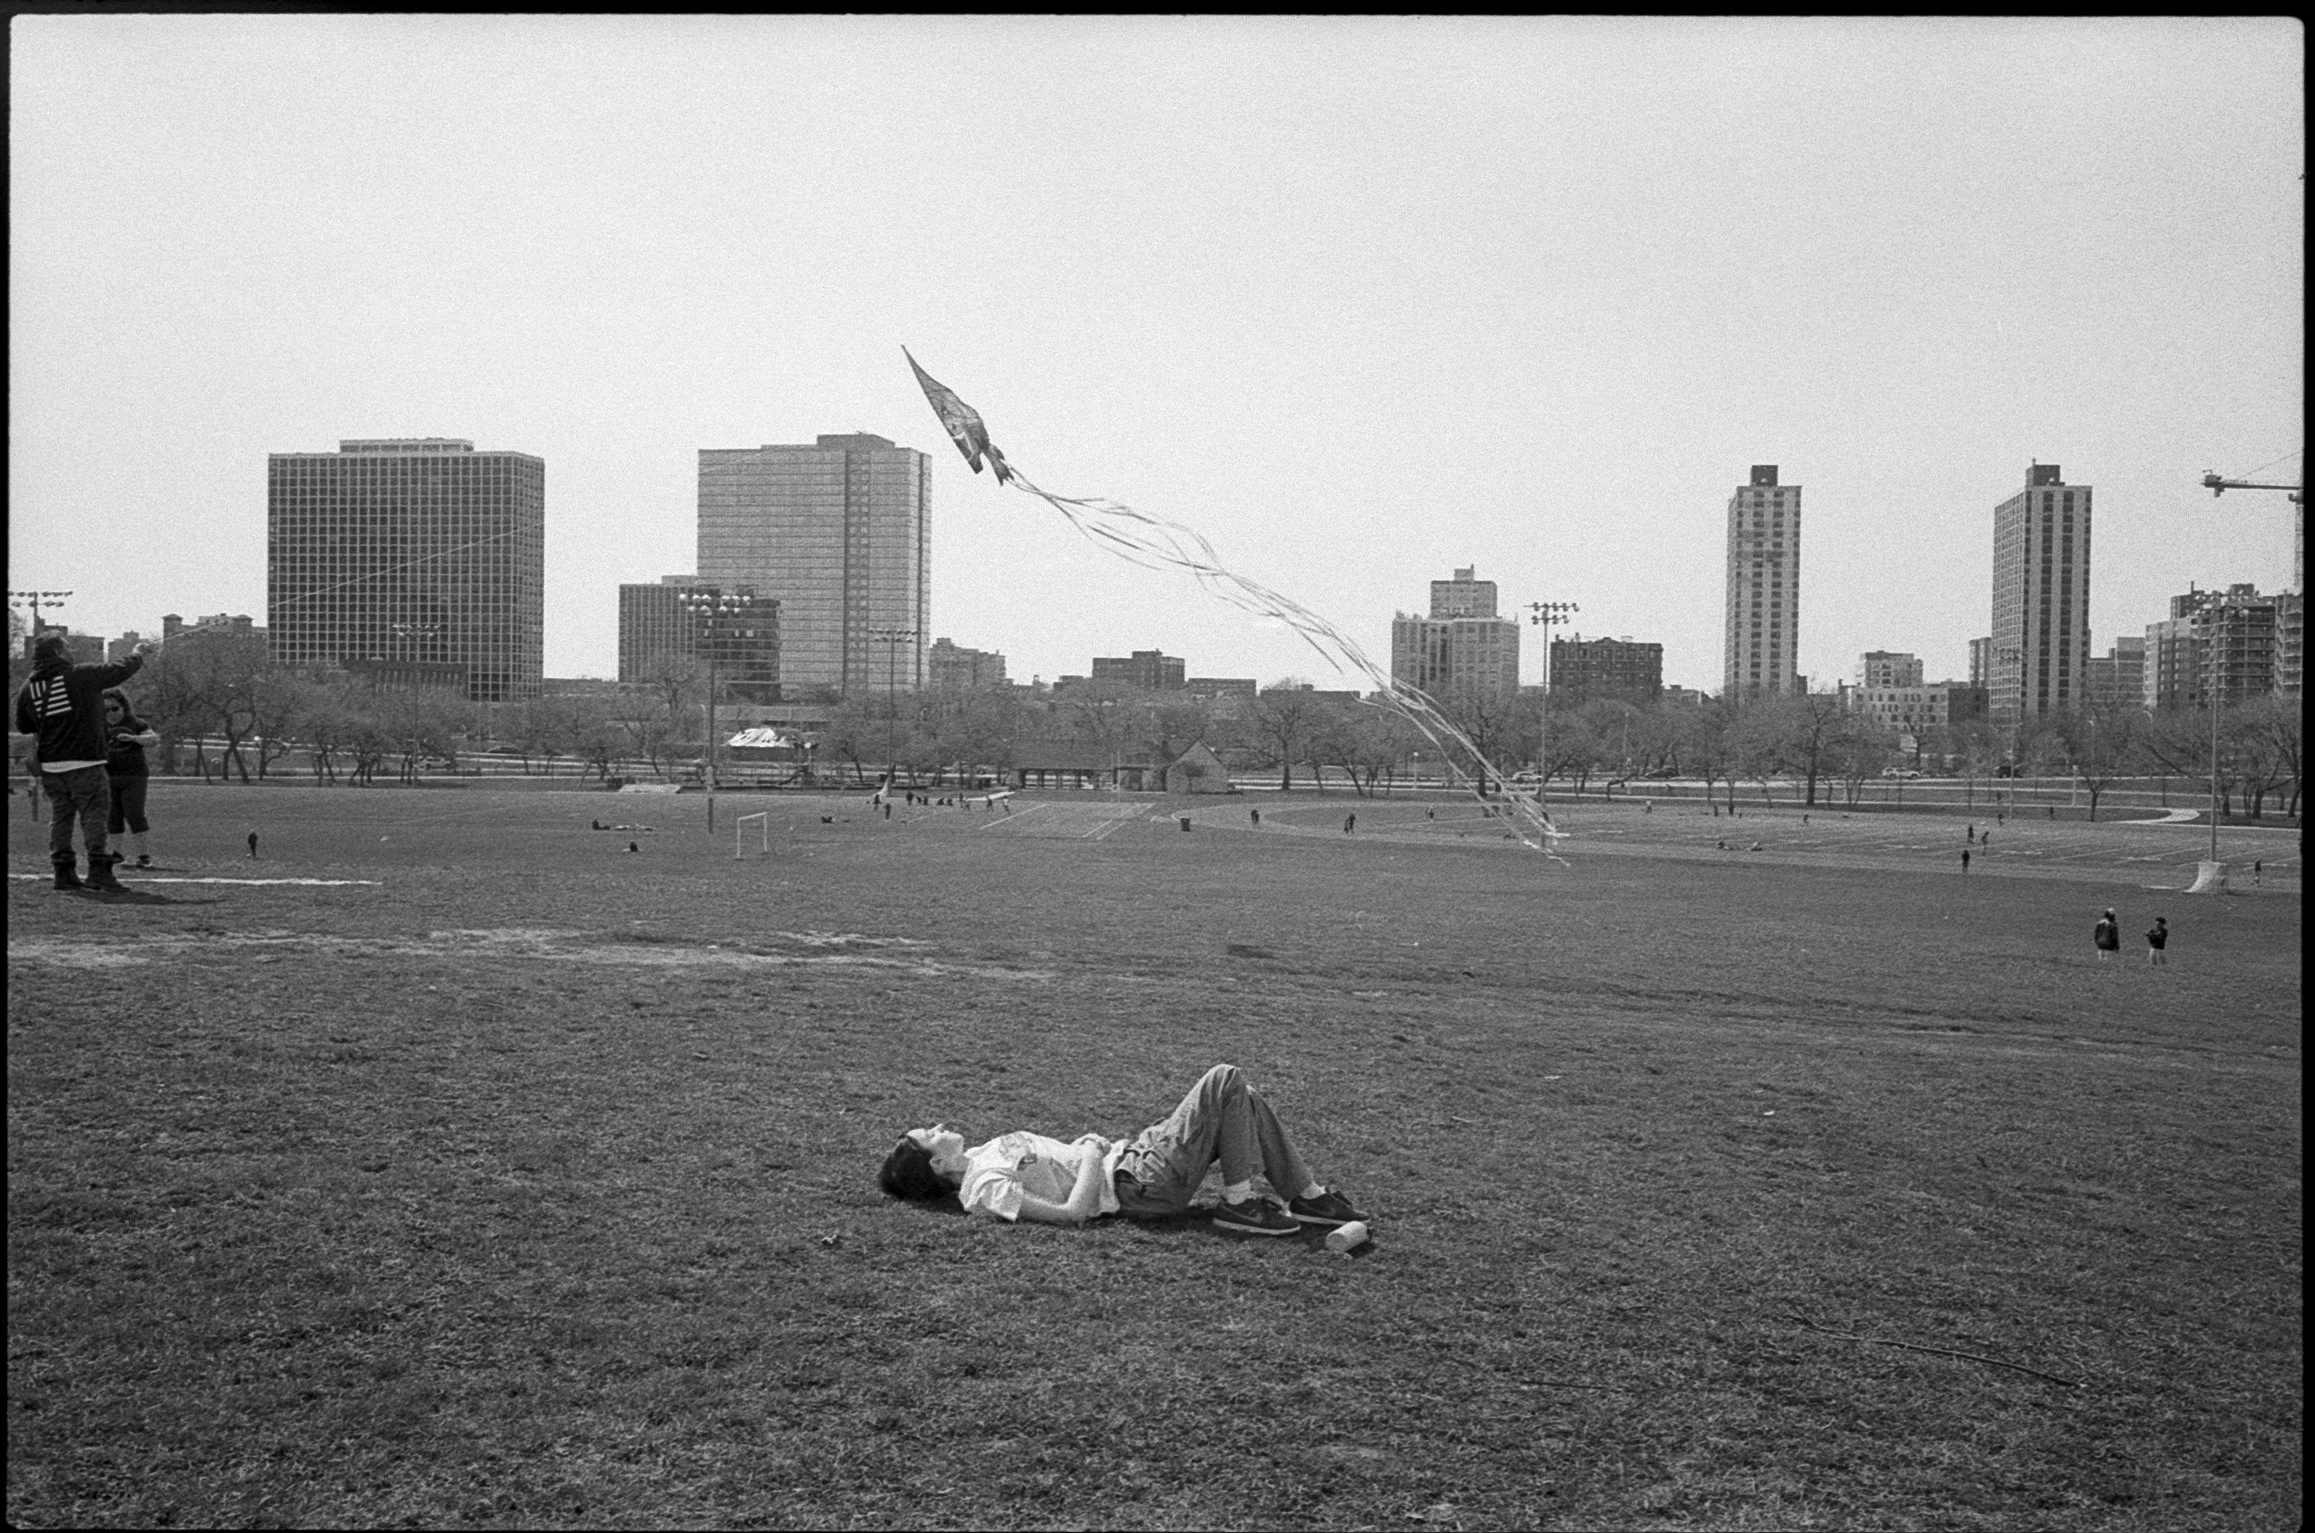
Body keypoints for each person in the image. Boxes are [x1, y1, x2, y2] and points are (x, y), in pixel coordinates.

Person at [880, 1063, 1364, 1238]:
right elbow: (1072, 1214)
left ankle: (1306, 1195)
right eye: (929, 1133)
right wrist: (1090, 1154)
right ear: (937, 1163)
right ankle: (1240, 1205)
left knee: (1243, 1097)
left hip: (1131, 1157)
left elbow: (1055, 1165)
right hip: (1135, 1185)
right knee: (1224, 1078)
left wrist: (1090, 1148)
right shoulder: (982, 1188)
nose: (939, 1125)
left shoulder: (983, 1151)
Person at [13, 633, 149, 891]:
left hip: (51, 767)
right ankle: (99, 871)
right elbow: (117, 671)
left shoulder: (29, 687)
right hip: (85, 763)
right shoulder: (78, 675)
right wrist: (138, 653)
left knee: (61, 818)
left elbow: (24, 725)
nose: (71, 650)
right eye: (66, 647)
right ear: (57, 652)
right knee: (94, 816)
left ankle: (63, 873)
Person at [101, 689, 160, 867]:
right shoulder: (98, 725)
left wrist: (133, 738)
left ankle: (143, 856)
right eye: (106, 710)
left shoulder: (135, 723)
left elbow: (153, 739)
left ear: (123, 706)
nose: (111, 713)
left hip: (134, 776)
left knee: (134, 814)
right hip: (109, 776)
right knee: (113, 815)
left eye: (114, 708)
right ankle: (117, 853)